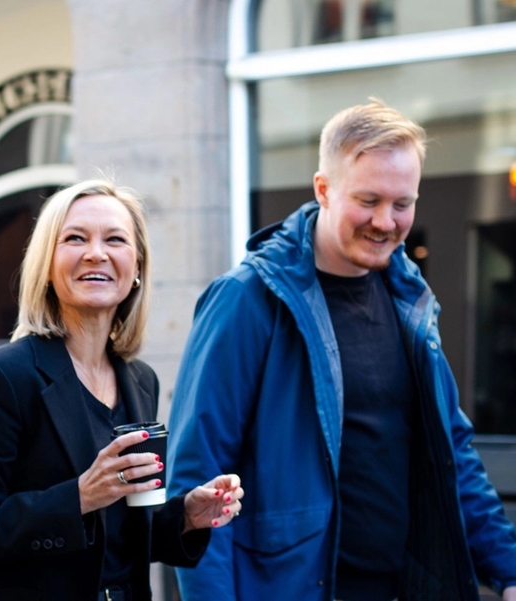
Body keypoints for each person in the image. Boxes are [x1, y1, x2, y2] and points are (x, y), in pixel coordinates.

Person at [167, 99, 516, 601]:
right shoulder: (248, 298)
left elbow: (451, 453)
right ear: (323, 190)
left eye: (402, 203)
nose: (386, 221)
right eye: (368, 200)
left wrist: (506, 568)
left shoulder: (410, 298)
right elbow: (199, 479)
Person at [0, 179, 244, 601]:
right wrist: (79, 497)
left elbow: (122, 533)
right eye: (75, 238)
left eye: (115, 239)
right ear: (47, 264)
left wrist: (184, 517)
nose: (96, 253)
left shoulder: (140, 380)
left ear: (137, 266)